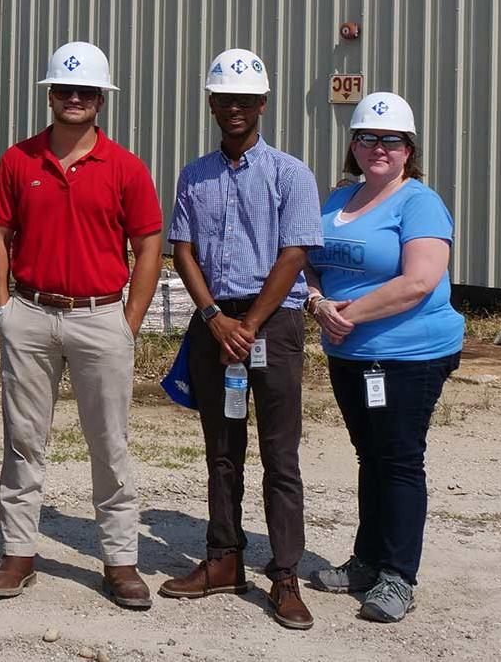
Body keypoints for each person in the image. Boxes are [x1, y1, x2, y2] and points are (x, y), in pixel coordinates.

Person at [0, 40, 163, 610]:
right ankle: (19, 550)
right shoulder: (19, 160)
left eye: (88, 91)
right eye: (66, 90)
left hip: (100, 316)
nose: (76, 99)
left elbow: (149, 243)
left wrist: (128, 321)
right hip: (31, 315)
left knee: (109, 444)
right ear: (50, 95)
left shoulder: (126, 168)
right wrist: (4, 307)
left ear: (102, 100)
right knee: (23, 439)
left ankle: (120, 560)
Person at [158, 49, 323, 629]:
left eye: (246, 100)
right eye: (225, 99)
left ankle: (284, 575)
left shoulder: (289, 173)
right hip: (214, 326)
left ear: (263, 105)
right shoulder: (194, 174)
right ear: (211, 104)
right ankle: (224, 558)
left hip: (271, 323)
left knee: (281, 454)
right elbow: (182, 247)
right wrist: (213, 318)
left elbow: (296, 250)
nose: (235, 108)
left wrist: (250, 322)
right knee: (222, 450)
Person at [306, 91, 460, 624]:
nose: (378, 148)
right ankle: (367, 561)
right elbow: (308, 258)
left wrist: (348, 314)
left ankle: (399, 575)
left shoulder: (419, 203)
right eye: (367, 137)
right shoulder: (335, 201)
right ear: (352, 144)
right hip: (349, 352)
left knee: (397, 459)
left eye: (390, 139)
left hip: (408, 353)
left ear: (408, 149)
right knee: (369, 455)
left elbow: (419, 280)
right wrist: (318, 301)